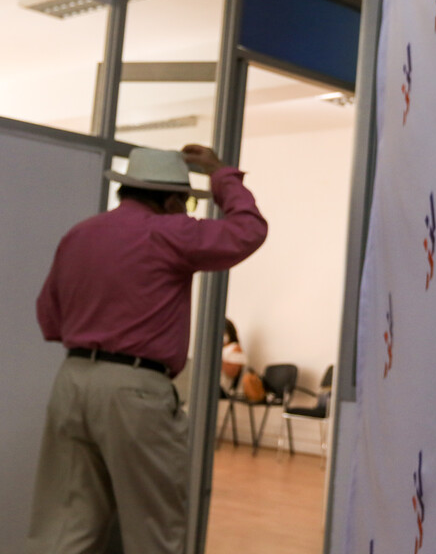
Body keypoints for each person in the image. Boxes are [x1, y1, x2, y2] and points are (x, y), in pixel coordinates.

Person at [28, 145, 267, 554]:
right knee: (154, 530)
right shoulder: (170, 231)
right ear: (172, 200)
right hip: (135, 389)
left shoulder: (80, 233)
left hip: (73, 380)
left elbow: (48, 316)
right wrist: (223, 175)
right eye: (187, 202)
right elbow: (248, 230)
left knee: (66, 528)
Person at [220, 318, 247, 395]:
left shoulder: (235, 348)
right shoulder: (222, 349)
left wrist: (218, 361)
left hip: (224, 388)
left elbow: (232, 373)